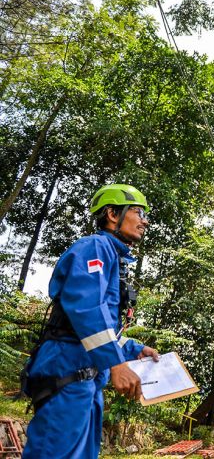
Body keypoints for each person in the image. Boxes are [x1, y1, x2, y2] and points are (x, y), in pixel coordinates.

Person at [22, 184, 159, 458]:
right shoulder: (94, 247)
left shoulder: (112, 256)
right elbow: (85, 310)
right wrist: (117, 363)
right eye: (138, 212)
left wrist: (131, 349)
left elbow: (103, 324)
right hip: (66, 375)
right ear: (112, 214)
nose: (144, 221)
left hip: (87, 382)